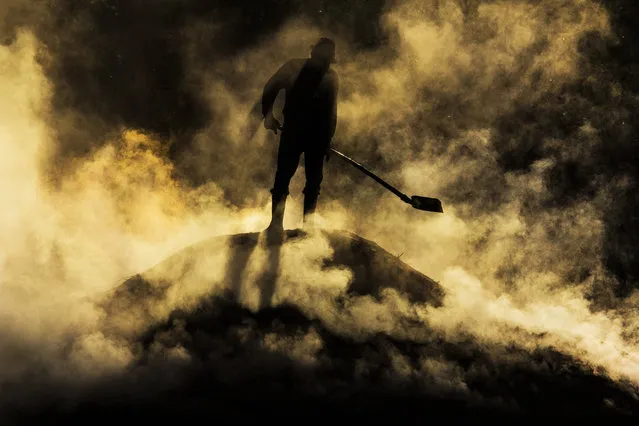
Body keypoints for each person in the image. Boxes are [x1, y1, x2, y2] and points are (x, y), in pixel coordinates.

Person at [261, 37, 339, 236]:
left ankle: (308, 227)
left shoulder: (331, 76)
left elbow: (331, 112)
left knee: (313, 182)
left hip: (318, 138)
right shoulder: (294, 67)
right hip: (294, 132)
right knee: (283, 178)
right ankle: (276, 225)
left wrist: (327, 140)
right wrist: (268, 115)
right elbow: (271, 87)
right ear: (314, 53)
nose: (325, 61)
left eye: (328, 57)